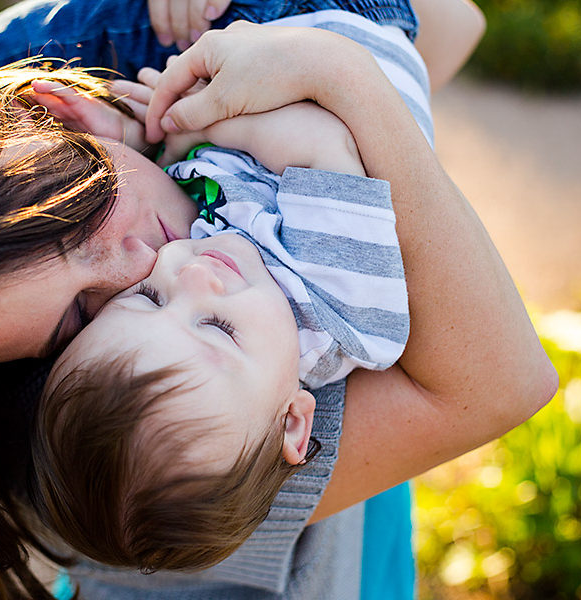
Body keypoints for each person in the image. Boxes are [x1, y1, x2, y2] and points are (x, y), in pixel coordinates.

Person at [0, 3, 554, 600]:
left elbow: (451, 27)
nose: (158, 263)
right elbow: (508, 382)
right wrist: (333, 68)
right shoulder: (150, 441)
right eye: (83, 316)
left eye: (77, 200)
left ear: (35, 115)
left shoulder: (86, 82)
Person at [30, 12, 415, 569]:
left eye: (148, 300)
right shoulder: (342, 314)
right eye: (217, 327)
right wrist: (190, 125)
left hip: (261, 56)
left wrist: (138, 141)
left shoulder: (235, 289)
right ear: (294, 421)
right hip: (344, 25)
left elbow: (199, 176)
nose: (188, 278)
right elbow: (320, 140)